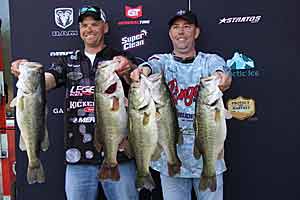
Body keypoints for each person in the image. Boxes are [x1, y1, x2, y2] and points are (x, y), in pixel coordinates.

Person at [11, 5, 139, 200]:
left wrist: (129, 69)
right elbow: (47, 80)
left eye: (95, 24)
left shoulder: (119, 59)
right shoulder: (68, 60)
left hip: (119, 155)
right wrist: (28, 74)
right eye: (84, 25)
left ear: (105, 27)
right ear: (79, 30)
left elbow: (136, 77)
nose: (89, 29)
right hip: (78, 156)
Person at [130, 9, 232, 200]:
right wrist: (142, 70)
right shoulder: (163, 61)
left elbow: (221, 70)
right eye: (176, 27)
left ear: (196, 32)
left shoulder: (209, 60)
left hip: (208, 157)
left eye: (187, 26)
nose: (181, 31)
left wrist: (221, 77)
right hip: (171, 162)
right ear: (170, 34)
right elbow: (152, 64)